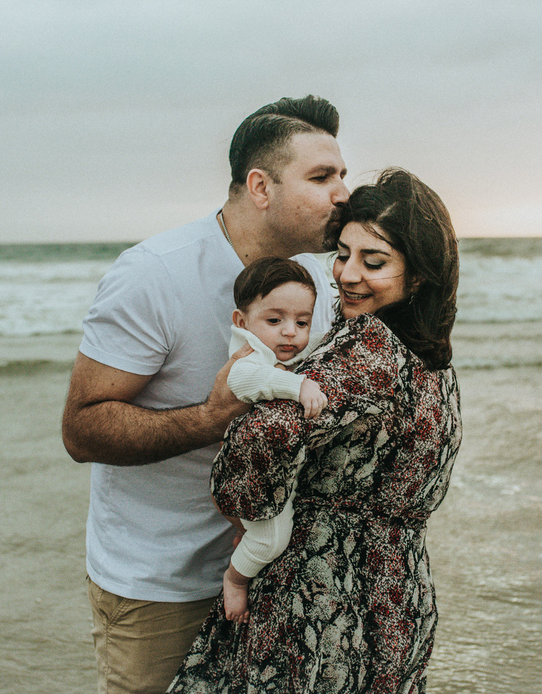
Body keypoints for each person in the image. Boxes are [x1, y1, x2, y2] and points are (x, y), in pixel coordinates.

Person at [61, 95, 349, 694]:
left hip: (279, 571)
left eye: (342, 175)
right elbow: (82, 431)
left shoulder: (325, 279)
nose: (342, 193)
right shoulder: (155, 275)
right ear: (260, 186)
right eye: (322, 178)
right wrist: (212, 417)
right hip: (161, 582)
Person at [168, 168, 463, 694]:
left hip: (320, 590)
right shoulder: (435, 364)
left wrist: (241, 500)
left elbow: (263, 440)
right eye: (343, 254)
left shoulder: (369, 349)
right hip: (399, 592)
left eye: (373, 262)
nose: (348, 275)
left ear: (418, 276)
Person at [222, 256, 329, 623]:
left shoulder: (275, 347)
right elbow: (243, 380)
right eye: (274, 320)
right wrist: (298, 384)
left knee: (267, 534)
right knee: (271, 540)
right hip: (252, 473)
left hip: (270, 470)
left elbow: (316, 343)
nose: (290, 332)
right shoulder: (249, 354)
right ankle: (235, 581)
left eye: (302, 322)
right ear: (242, 321)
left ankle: (247, 548)